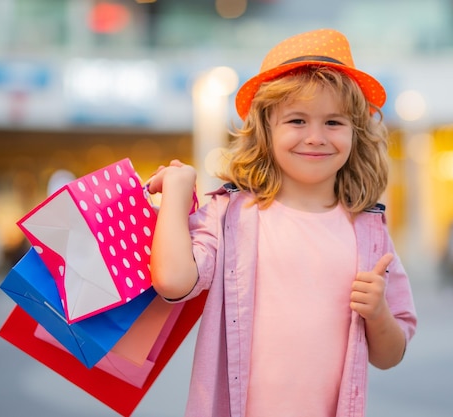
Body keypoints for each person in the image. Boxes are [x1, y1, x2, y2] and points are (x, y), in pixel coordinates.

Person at [148, 28, 417, 417]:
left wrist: (378, 313)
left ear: (356, 134)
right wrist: (178, 191)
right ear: (265, 130)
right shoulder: (231, 215)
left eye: (334, 123)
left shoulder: (370, 232)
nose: (315, 137)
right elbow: (173, 282)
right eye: (296, 120)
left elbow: (391, 355)